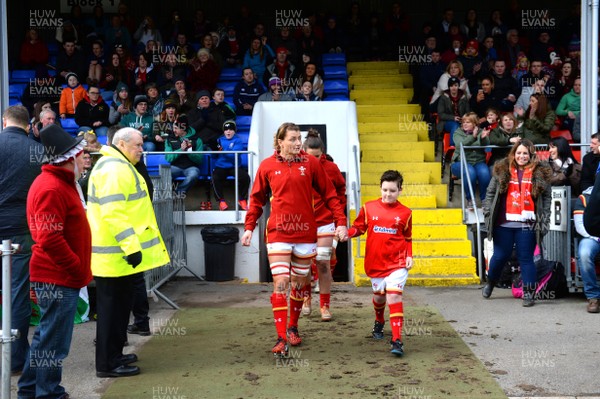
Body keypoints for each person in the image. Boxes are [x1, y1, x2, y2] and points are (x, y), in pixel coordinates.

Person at [241, 122, 348, 357]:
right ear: (280, 142)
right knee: (281, 282)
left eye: (299, 138)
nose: (298, 143)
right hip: (278, 232)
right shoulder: (267, 166)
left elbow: (331, 195)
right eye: (292, 139)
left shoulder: (310, 163)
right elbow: (257, 199)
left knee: (299, 283)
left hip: (305, 233)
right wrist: (249, 227)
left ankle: (293, 327)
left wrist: (341, 222)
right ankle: (281, 338)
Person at [87, 127, 169, 378]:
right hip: (115, 257)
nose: (142, 149)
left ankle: (114, 356)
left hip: (116, 258)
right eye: (138, 145)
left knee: (119, 310)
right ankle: (107, 364)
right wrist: (131, 247)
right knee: (112, 313)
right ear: (122, 144)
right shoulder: (114, 169)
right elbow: (114, 213)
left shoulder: (117, 165)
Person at [17, 124, 91, 399]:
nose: (85, 161)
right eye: (81, 155)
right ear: (69, 157)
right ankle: (47, 393)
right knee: (54, 343)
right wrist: (75, 268)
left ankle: (29, 390)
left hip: (56, 276)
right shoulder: (53, 187)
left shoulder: (55, 183)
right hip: (58, 277)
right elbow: (50, 238)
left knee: (46, 338)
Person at [347, 170, 412, 356]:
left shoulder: (406, 213)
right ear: (380, 188)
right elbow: (359, 228)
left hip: (397, 263)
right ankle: (379, 320)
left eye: (392, 190)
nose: (388, 194)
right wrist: (347, 234)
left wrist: (409, 255)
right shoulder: (368, 208)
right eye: (385, 190)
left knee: (394, 297)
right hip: (375, 263)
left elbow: (408, 238)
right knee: (379, 298)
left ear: (400, 190)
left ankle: (397, 340)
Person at [482, 139, 552, 307]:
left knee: (526, 258)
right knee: (500, 256)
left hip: (527, 224)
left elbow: (547, 199)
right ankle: (491, 282)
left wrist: (545, 218)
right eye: (519, 153)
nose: (522, 156)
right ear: (514, 153)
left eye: (525, 153)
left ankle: (529, 293)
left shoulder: (540, 172)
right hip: (503, 223)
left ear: (531, 155)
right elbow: (490, 193)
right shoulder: (501, 169)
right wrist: (487, 213)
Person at [0, 105, 43, 375]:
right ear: (29, 125)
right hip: (20, 228)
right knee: (17, 293)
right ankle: (16, 359)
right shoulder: (37, 150)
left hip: (13, 224)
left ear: (4, 122)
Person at [301, 130, 347, 321]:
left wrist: (339, 219)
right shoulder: (297, 167)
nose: (314, 160)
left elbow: (340, 191)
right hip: (302, 223)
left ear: (323, 153)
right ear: (303, 152)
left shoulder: (331, 168)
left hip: (325, 221)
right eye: (310, 157)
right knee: (303, 266)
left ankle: (325, 306)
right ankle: (305, 299)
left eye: (318, 156)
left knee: (323, 262)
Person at [450, 112, 492, 209]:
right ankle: (470, 200)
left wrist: (483, 138)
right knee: (470, 172)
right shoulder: (457, 132)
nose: (464, 124)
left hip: (478, 161)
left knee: (485, 172)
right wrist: (473, 137)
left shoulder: (481, 131)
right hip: (460, 162)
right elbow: (460, 144)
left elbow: (486, 145)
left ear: (475, 124)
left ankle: (485, 199)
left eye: (468, 122)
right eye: (464, 122)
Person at [212, 120, 250, 211]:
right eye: (226, 129)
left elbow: (233, 156)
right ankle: (221, 201)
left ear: (234, 131)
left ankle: (242, 199)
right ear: (223, 131)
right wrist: (214, 149)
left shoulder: (238, 141)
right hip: (221, 166)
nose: (228, 131)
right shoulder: (219, 140)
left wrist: (222, 150)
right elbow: (214, 155)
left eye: (231, 129)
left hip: (235, 166)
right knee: (215, 178)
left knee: (245, 178)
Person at [573, 186, 600, 312]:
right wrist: (595, 237)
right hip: (591, 237)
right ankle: (593, 297)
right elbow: (579, 226)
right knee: (584, 253)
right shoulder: (584, 197)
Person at [164, 114, 205, 195]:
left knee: (194, 174)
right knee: (164, 174)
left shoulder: (197, 140)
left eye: (176, 128)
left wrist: (188, 151)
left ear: (183, 129)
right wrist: (181, 150)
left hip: (191, 167)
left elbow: (200, 160)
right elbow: (168, 158)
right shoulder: (169, 139)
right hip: (175, 167)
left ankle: (177, 195)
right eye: (173, 127)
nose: (173, 130)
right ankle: (165, 198)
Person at [436, 76, 470, 146]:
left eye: (455, 85)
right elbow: (441, 114)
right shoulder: (443, 97)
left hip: (462, 121)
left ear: (458, 86)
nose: (453, 87)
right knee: (455, 125)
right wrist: (453, 118)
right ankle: (452, 146)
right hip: (446, 122)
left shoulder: (463, 97)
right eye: (451, 86)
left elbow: (468, 112)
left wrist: (463, 119)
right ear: (449, 87)